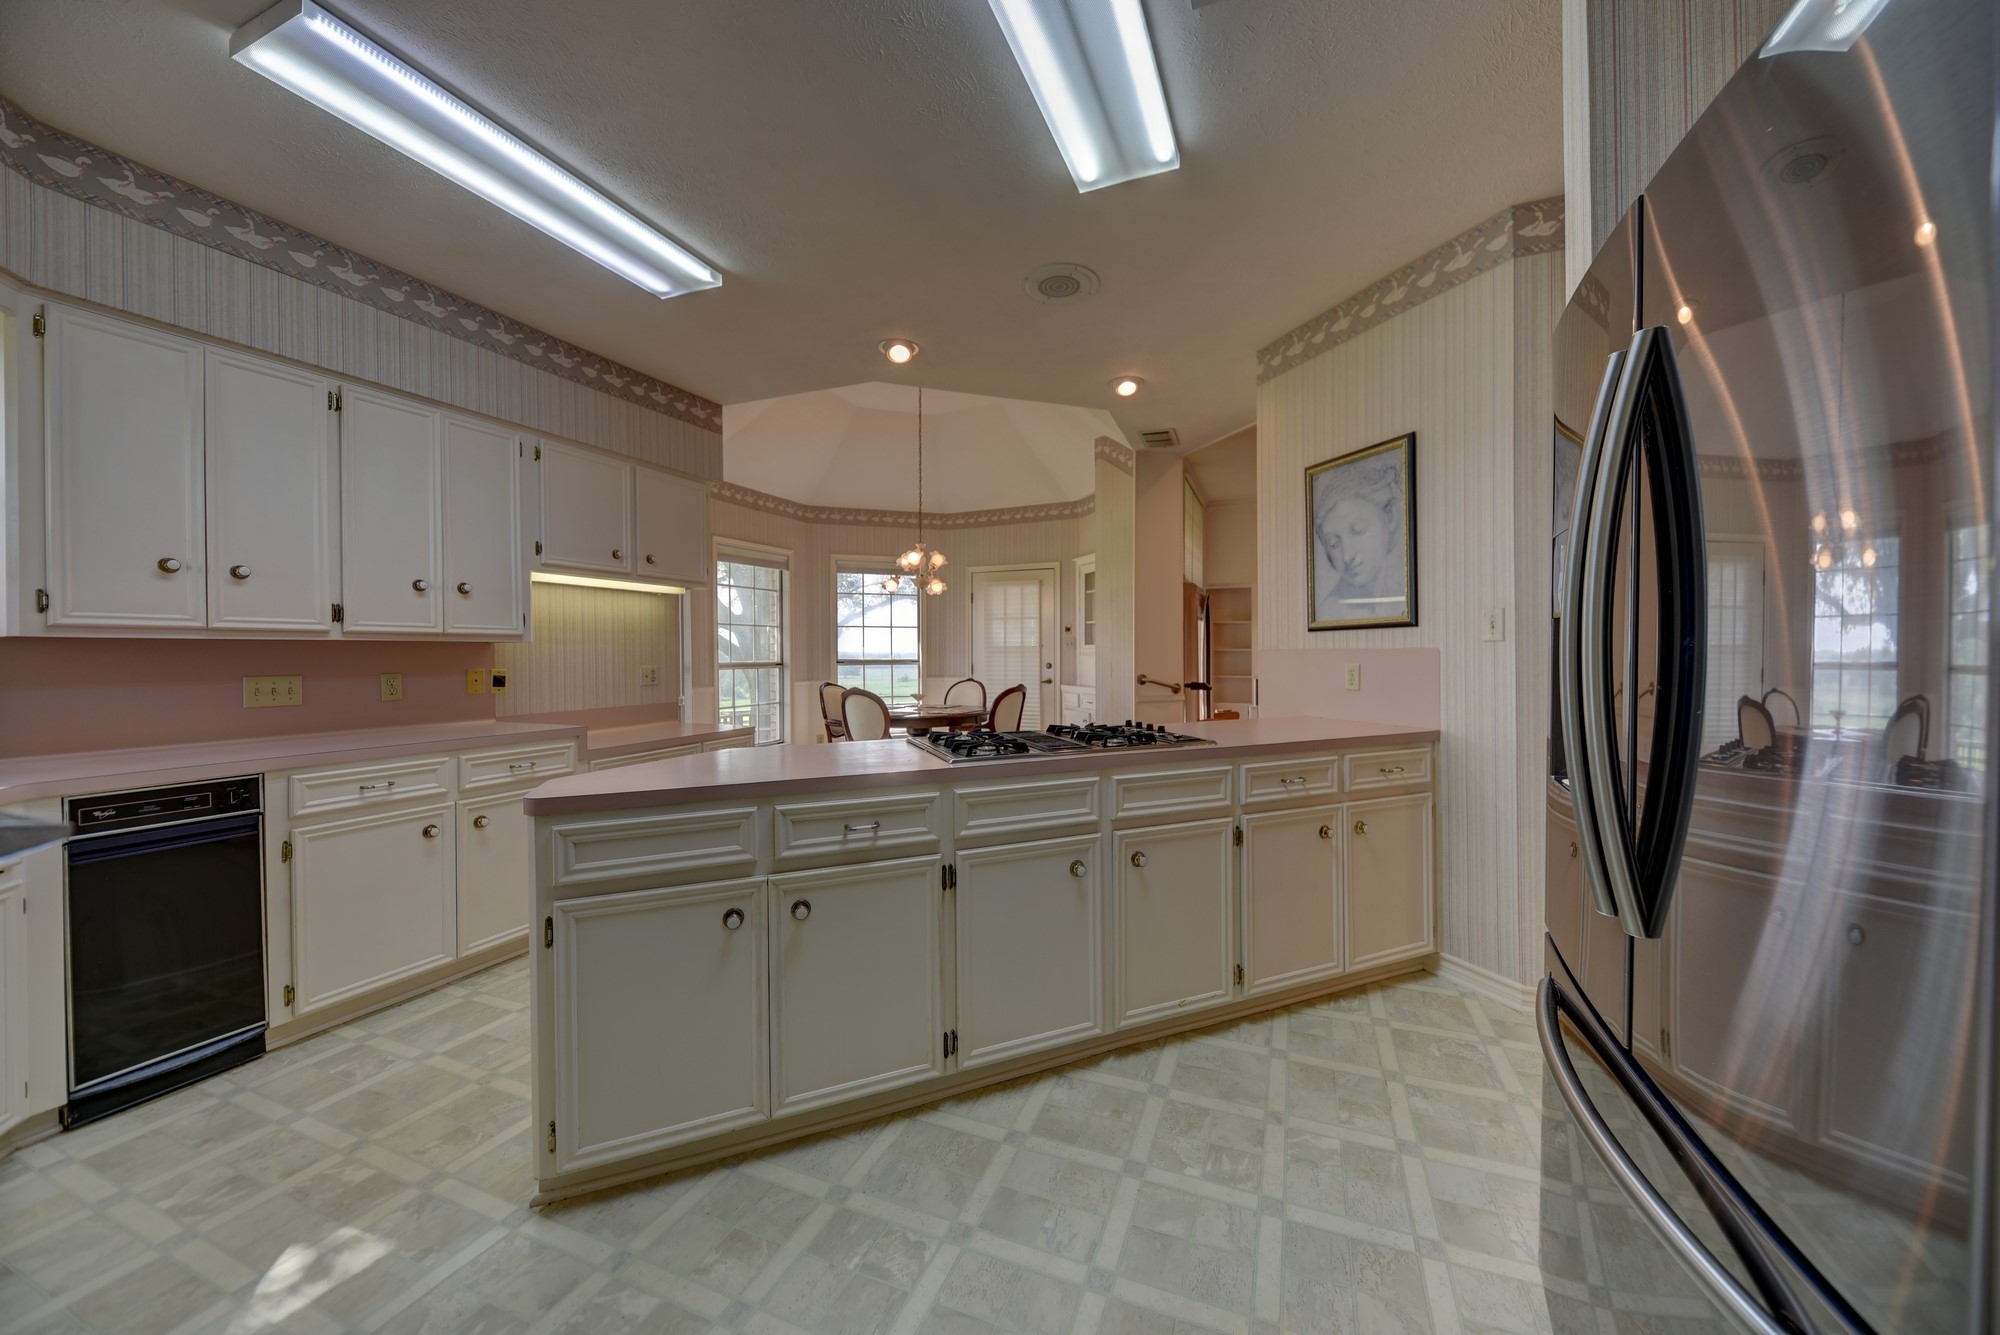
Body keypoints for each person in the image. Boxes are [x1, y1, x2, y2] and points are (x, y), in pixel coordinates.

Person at [1312, 453, 1406, 621]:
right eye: (1333, 543)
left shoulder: (1400, 597)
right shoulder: (1329, 611)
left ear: (1390, 516)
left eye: (1358, 531)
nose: (1347, 556)